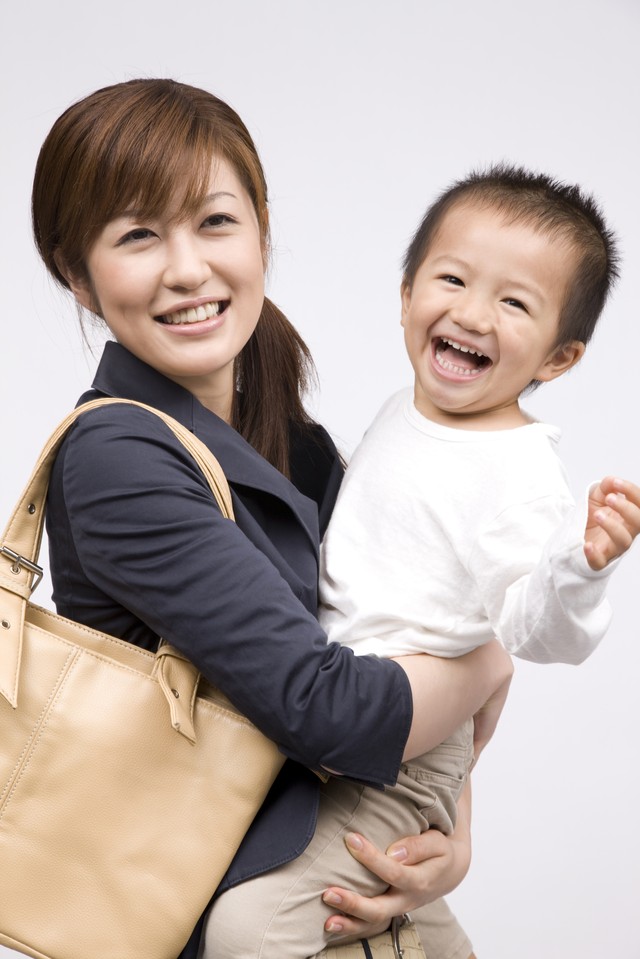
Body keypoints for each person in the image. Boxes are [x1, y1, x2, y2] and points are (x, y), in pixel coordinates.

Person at [30, 79, 515, 959]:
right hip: (237, 919)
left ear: (260, 229)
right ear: (76, 273)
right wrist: (489, 657)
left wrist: (450, 840)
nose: (187, 268)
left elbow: (405, 625)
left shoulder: (293, 440)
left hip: (344, 891)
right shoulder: (116, 455)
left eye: (215, 221)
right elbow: (332, 709)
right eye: (138, 235)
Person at [202, 165, 640, 958]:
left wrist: (580, 566)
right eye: (453, 279)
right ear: (406, 296)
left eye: (515, 303)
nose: (472, 313)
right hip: (336, 716)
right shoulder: (406, 409)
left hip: (404, 752)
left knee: (245, 929)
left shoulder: (517, 472)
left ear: (559, 357)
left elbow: (536, 632)